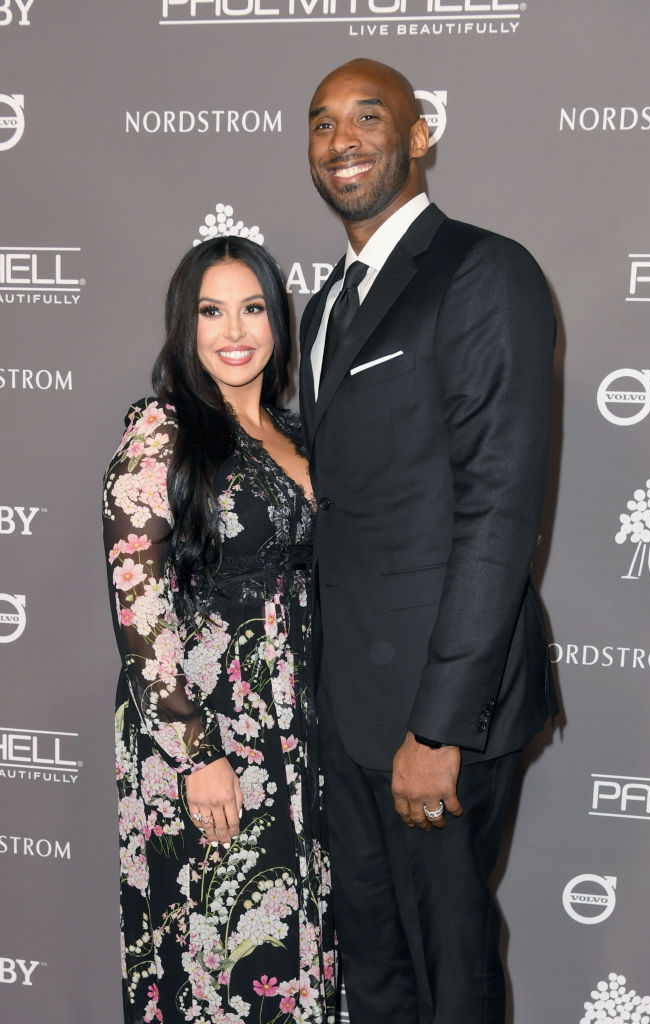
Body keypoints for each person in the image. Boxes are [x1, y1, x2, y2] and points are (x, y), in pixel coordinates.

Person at [299, 58, 557, 1024]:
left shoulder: (485, 272)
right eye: (322, 124)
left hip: (434, 715)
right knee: (374, 969)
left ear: (418, 137)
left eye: (370, 117)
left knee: (449, 970)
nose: (342, 140)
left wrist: (436, 730)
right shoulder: (326, 305)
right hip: (348, 705)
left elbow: (497, 512)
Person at [103, 236, 335, 1024]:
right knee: (221, 958)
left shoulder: (301, 434)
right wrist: (194, 752)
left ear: (278, 322)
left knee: (301, 948)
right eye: (211, 310)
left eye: (252, 307)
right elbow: (137, 600)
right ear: (185, 325)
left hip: (302, 734)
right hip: (207, 736)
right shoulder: (162, 430)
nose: (233, 330)